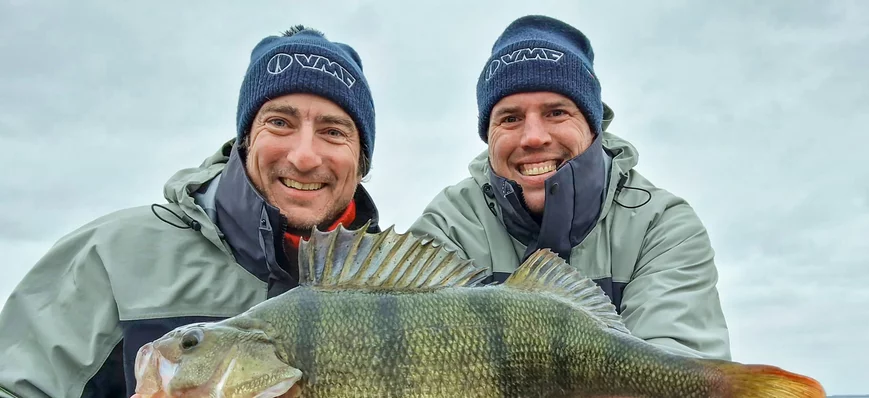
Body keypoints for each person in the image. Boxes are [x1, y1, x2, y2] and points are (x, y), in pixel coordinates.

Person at [0, 26, 380, 397]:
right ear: (245, 140)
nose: (303, 156)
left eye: (333, 131)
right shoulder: (112, 258)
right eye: (280, 123)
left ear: (361, 161)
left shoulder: (396, 284)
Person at [408, 15, 731, 360]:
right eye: (510, 118)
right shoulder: (449, 223)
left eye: (557, 112)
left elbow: (678, 370)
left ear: (593, 128)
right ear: (489, 136)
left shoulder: (662, 225)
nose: (533, 137)